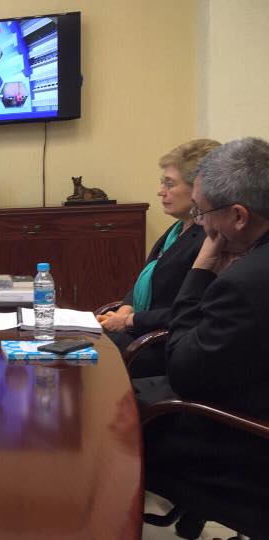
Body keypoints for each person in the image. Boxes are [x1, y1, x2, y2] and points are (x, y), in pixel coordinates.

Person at [136, 137, 269, 533]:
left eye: (201, 211)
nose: (201, 224)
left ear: (239, 217)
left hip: (245, 446)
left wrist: (201, 270)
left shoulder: (246, 282)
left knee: (116, 429)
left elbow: (183, 370)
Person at [99, 139, 220, 377]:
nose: (160, 191)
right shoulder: (177, 229)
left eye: (169, 184)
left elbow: (190, 309)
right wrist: (125, 309)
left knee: (91, 359)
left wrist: (129, 320)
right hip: (140, 332)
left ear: (198, 188)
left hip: (162, 345)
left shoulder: (209, 239)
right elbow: (147, 278)